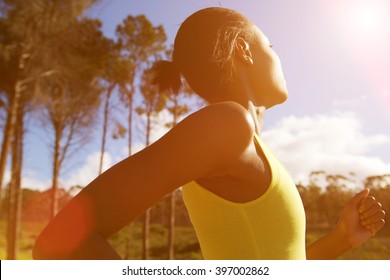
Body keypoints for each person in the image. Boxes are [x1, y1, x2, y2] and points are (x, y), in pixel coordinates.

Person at [33, 7, 385, 260]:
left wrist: (341, 240)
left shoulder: (250, 144)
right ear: (244, 50)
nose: (279, 57)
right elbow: (58, 243)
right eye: (271, 45)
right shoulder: (227, 124)